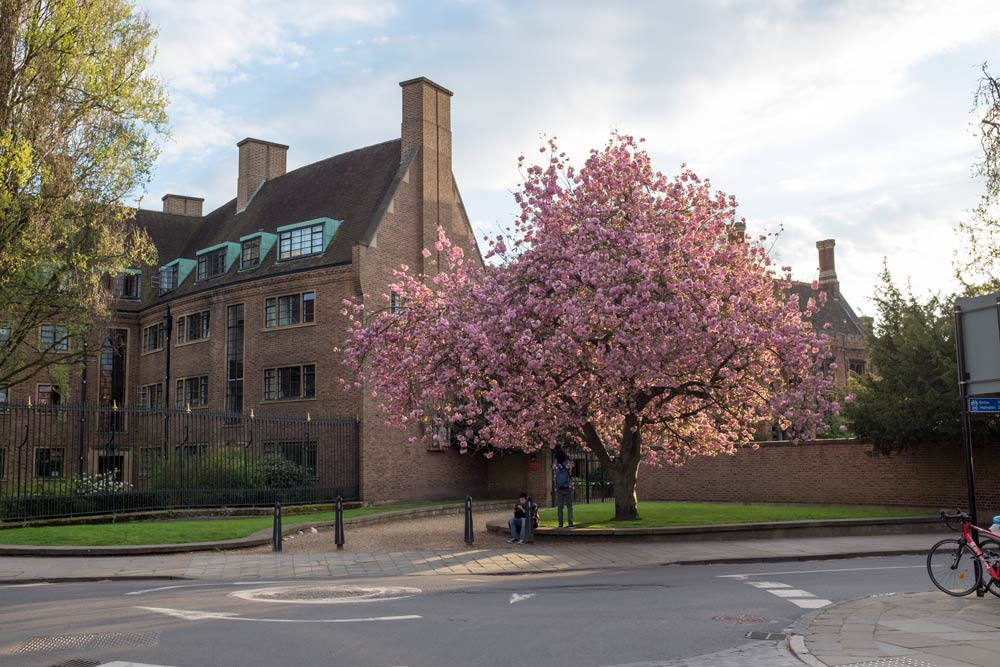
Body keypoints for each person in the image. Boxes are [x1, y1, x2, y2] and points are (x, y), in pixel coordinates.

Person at [553, 446, 575, 528]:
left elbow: (553, 471)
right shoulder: (568, 464)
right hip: (568, 487)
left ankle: (560, 524)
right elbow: (572, 465)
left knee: (560, 507)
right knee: (569, 507)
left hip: (558, 488)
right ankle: (570, 523)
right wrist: (568, 456)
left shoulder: (555, 465)